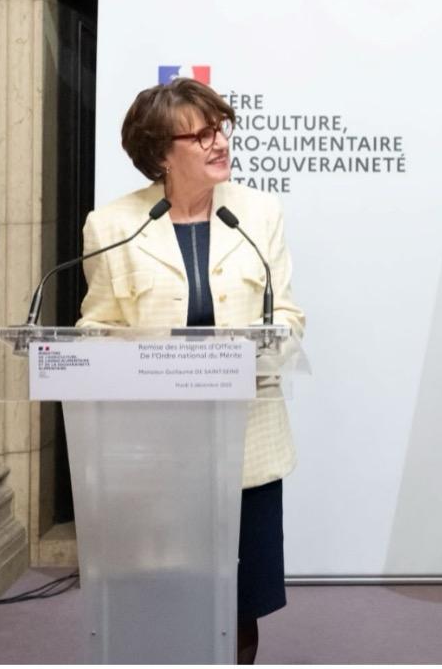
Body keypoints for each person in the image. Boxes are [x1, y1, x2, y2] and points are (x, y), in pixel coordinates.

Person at [78, 77, 305, 664]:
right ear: (160, 152)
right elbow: (96, 327)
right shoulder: (112, 226)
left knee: (241, 600)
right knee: (163, 590)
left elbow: (287, 312)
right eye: (199, 134)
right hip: (156, 446)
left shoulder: (258, 212)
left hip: (245, 438)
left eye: (220, 129)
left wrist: (273, 341)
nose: (217, 143)